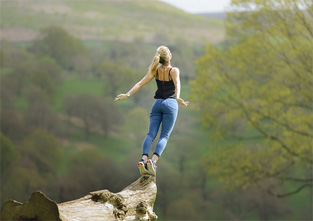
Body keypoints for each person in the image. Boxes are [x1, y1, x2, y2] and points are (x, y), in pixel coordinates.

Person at [115, 46, 189, 176]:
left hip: (157, 104)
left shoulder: (155, 70)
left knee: (150, 134)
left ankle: (143, 159)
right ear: (169, 57)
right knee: (164, 136)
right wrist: (177, 97)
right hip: (170, 104)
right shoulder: (174, 70)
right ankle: (153, 161)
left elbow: (140, 83)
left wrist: (127, 95)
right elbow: (177, 84)